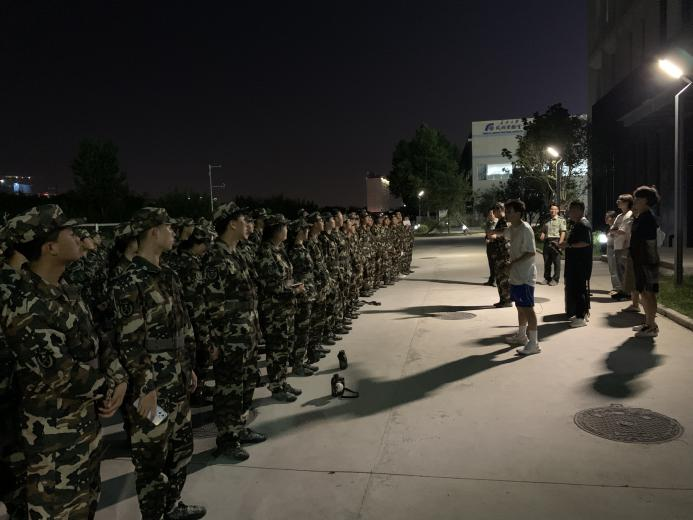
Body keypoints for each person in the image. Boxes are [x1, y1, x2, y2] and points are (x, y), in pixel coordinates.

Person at [2, 205, 127, 520]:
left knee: (86, 505)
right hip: (53, 440)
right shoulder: (26, 305)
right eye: (71, 233)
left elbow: (98, 339)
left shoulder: (67, 291)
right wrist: (110, 386)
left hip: (84, 428)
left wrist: (119, 375)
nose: (79, 238)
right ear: (51, 247)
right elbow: (62, 374)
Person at [111, 207, 205, 520]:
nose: (173, 233)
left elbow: (182, 326)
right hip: (152, 390)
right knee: (152, 457)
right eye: (168, 227)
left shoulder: (168, 275)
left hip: (177, 381)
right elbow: (130, 341)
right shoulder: (129, 281)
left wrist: (189, 366)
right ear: (153, 231)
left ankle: (173, 505)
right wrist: (145, 387)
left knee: (181, 448)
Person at [203, 203, 265, 461]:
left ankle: (239, 427)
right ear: (231, 223)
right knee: (229, 390)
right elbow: (211, 305)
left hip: (246, 334)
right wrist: (214, 342)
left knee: (247, 383)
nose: (248, 225)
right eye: (243, 220)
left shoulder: (236, 253)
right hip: (229, 339)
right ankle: (227, 439)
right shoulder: (215, 257)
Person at [255, 214, 304, 401]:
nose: (287, 230)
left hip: (286, 309)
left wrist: (293, 287)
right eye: (284, 227)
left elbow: (285, 278)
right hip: (274, 311)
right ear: (276, 230)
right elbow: (272, 285)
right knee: (276, 350)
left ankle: (282, 381)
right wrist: (295, 290)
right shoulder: (265, 252)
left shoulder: (279, 250)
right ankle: (276, 386)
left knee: (284, 349)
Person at [503, 200, 540, 355]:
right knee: (520, 306)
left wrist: (513, 263)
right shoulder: (513, 228)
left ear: (518, 213)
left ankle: (534, 343)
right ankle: (522, 335)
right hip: (516, 275)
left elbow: (531, 252)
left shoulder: (526, 229)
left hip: (525, 275)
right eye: (506, 211)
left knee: (528, 308)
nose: (507, 214)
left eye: (509, 211)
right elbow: (504, 234)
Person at [629, 186, 661, 337]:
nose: (634, 201)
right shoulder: (642, 216)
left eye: (638, 198)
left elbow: (646, 242)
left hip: (647, 260)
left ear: (646, 200)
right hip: (641, 260)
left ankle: (652, 327)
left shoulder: (648, 218)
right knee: (643, 292)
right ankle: (648, 323)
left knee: (649, 293)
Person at [560, 200, 593, 328]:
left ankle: (581, 317)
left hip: (580, 264)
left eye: (572, 210)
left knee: (579, 290)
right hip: (577, 263)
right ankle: (583, 313)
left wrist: (568, 245)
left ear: (580, 210)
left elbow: (585, 242)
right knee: (579, 289)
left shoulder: (583, 224)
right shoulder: (579, 224)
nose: (570, 213)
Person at [609, 194, 634, 301]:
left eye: (620, 200)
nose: (617, 202)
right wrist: (615, 230)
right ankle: (624, 291)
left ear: (627, 202)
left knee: (625, 271)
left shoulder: (630, 214)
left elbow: (622, 231)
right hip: (617, 245)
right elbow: (612, 229)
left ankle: (628, 293)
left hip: (625, 246)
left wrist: (614, 231)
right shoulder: (619, 216)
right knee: (619, 270)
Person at [488, 203, 511, 307]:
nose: (494, 213)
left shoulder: (505, 220)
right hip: (499, 253)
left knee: (504, 278)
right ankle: (503, 299)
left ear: (499, 210)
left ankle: (507, 300)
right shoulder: (501, 220)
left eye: (495, 211)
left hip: (504, 254)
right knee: (499, 277)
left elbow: (507, 233)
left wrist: (495, 236)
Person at [539, 203, 567, 285]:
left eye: (555, 209)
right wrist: (542, 235)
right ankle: (547, 278)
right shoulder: (546, 220)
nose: (553, 211)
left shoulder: (561, 220)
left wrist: (560, 244)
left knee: (556, 262)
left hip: (556, 242)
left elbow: (563, 232)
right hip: (547, 242)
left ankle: (555, 279)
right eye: (551, 209)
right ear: (549, 210)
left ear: (558, 210)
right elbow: (544, 230)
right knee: (547, 262)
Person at [604, 210, 621, 295]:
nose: (606, 219)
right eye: (605, 217)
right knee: (612, 269)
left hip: (614, 248)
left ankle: (617, 288)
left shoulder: (616, 227)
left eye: (608, 217)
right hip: (610, 247)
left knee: (614, 269)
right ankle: (616, 287)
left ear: (614, 218)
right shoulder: (610, 227)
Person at [483, 208, 498, 286]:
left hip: (495, 245)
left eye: (491, 214)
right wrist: (486, 239)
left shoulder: (498, 223)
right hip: (489, 245)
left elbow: (500, 234)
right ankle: (491, 279)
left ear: (494, 214)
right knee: (491, 263)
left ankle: (495, 280)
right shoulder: (488, 223)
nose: (489, 215)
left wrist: (493, 238)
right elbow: (487, 234)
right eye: (489, 214)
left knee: (495, 263)